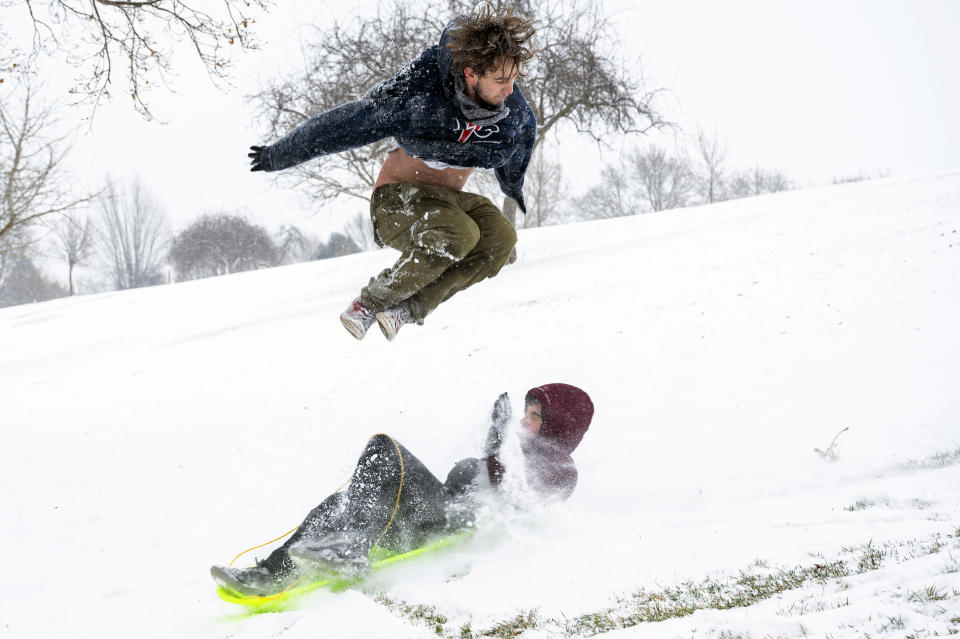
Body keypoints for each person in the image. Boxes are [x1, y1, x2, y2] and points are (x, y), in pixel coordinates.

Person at [248, 6, 537, 341]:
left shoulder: (513, 112)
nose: (510, 90)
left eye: (514, 78)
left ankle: (409, 308)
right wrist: (278, 154)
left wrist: (512, 185)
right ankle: (367, 304)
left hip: (449, 202)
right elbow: (343, 125)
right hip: (397, 202)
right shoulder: (419, 94)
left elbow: (520, 148)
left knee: (500, 239)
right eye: (501, 81)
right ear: (471, 73)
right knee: (459, 233)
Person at [210, 383, 593, 597]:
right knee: (348, 499)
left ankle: (349, 549)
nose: (525, 421)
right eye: (526, 412)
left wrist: (497, 441)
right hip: (430, 517)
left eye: (536, 416)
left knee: (382, 451)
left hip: (446, 524)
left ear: (560, 426)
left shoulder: (561, 470)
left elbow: (514, 490)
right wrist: (496, 442)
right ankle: (271, 572)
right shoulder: (517, 451)